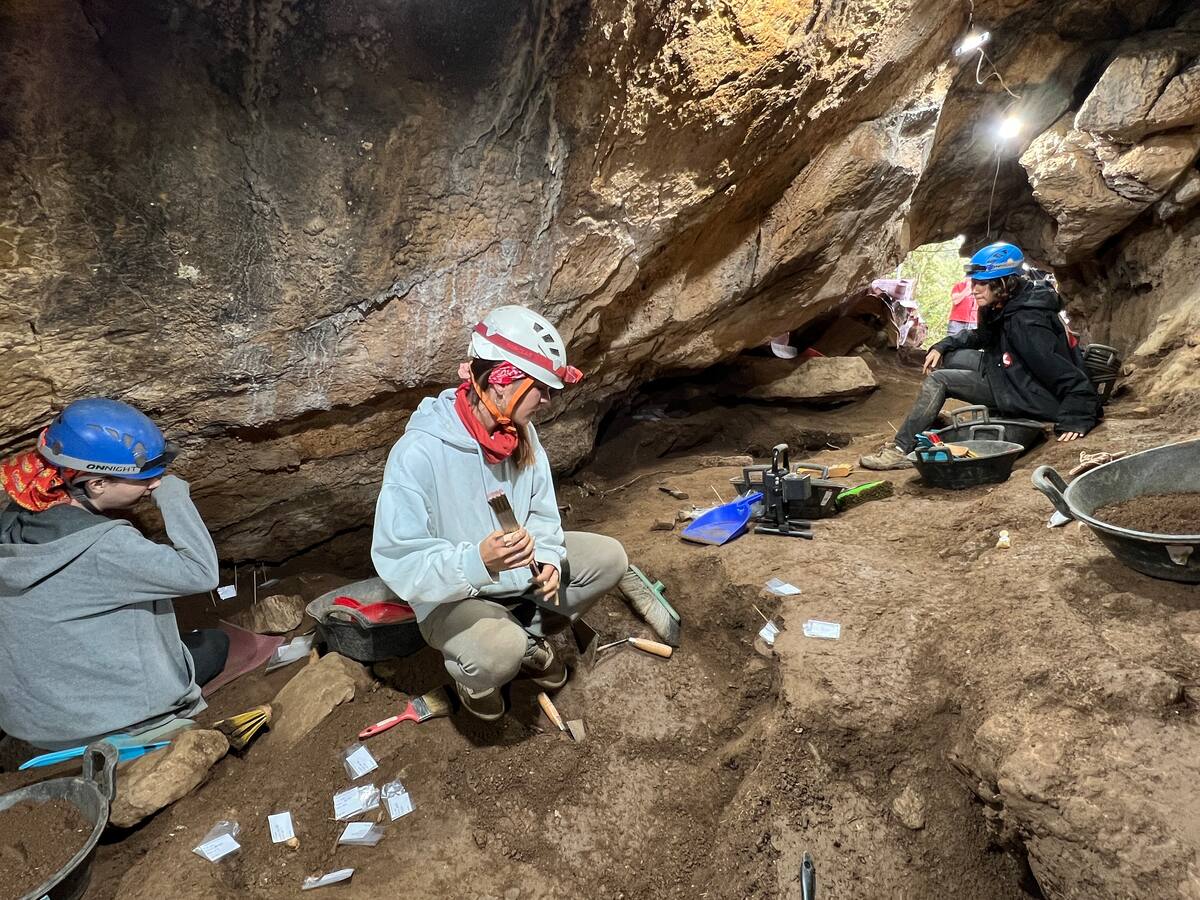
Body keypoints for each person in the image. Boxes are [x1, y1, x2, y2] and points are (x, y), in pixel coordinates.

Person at [372, 305, 628, 721]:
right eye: (540, 388)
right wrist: (476, 562)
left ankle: (525, 638)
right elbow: (400, 563)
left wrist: (546, 557)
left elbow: (543, 512)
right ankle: (477, 678)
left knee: (608, 559)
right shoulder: (418, 452)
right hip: (455, 596)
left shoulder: (521, 434)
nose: (546, 400)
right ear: (502, 380)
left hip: (514, 579)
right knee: (497, 652)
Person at [0, 399, 223, 750]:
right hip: (111, 719)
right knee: (215, 643)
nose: (155, 482)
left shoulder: (14, 518)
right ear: (97, 484)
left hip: (34, 720)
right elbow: (202, 573)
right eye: (145, 476)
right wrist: (174, 496)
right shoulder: (106, 546)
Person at [861, 242, 1102, 470]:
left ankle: (900, 449)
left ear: (1003, 283)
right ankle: (928, 412)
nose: (973, 288)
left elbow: (1059, 370)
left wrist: (1077, 414)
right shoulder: (1005, 304)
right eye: (974, 281)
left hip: (1028, 393)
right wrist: (943, 345)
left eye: (981, 283)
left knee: (939, 380)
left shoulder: (1026, 321)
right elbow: (982, 337)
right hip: (1011, 370)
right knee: (952, 357)